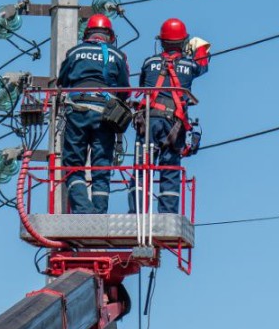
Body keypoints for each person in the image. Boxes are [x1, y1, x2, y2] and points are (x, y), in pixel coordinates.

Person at [129, 18, 210, 214]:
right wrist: (199, 48)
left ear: (162, 41)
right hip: (173, 124)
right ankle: (167, 213)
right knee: (170, 170)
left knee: (142, 168)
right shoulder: (190, 66)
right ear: (183, 43)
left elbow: (143, 84)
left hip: (148, 121)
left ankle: (136, 214)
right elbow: (204, 64)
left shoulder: (149, 62)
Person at [56, 13, 131, 214]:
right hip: (104, 115)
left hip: (77, 111)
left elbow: (62, 82)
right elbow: (125, 91)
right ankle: (98, 213)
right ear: (109, 36)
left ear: (87, 33)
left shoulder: (74, 52)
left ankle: (82, 210)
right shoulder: (117, 56)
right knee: (101, 166)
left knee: (73, 165)